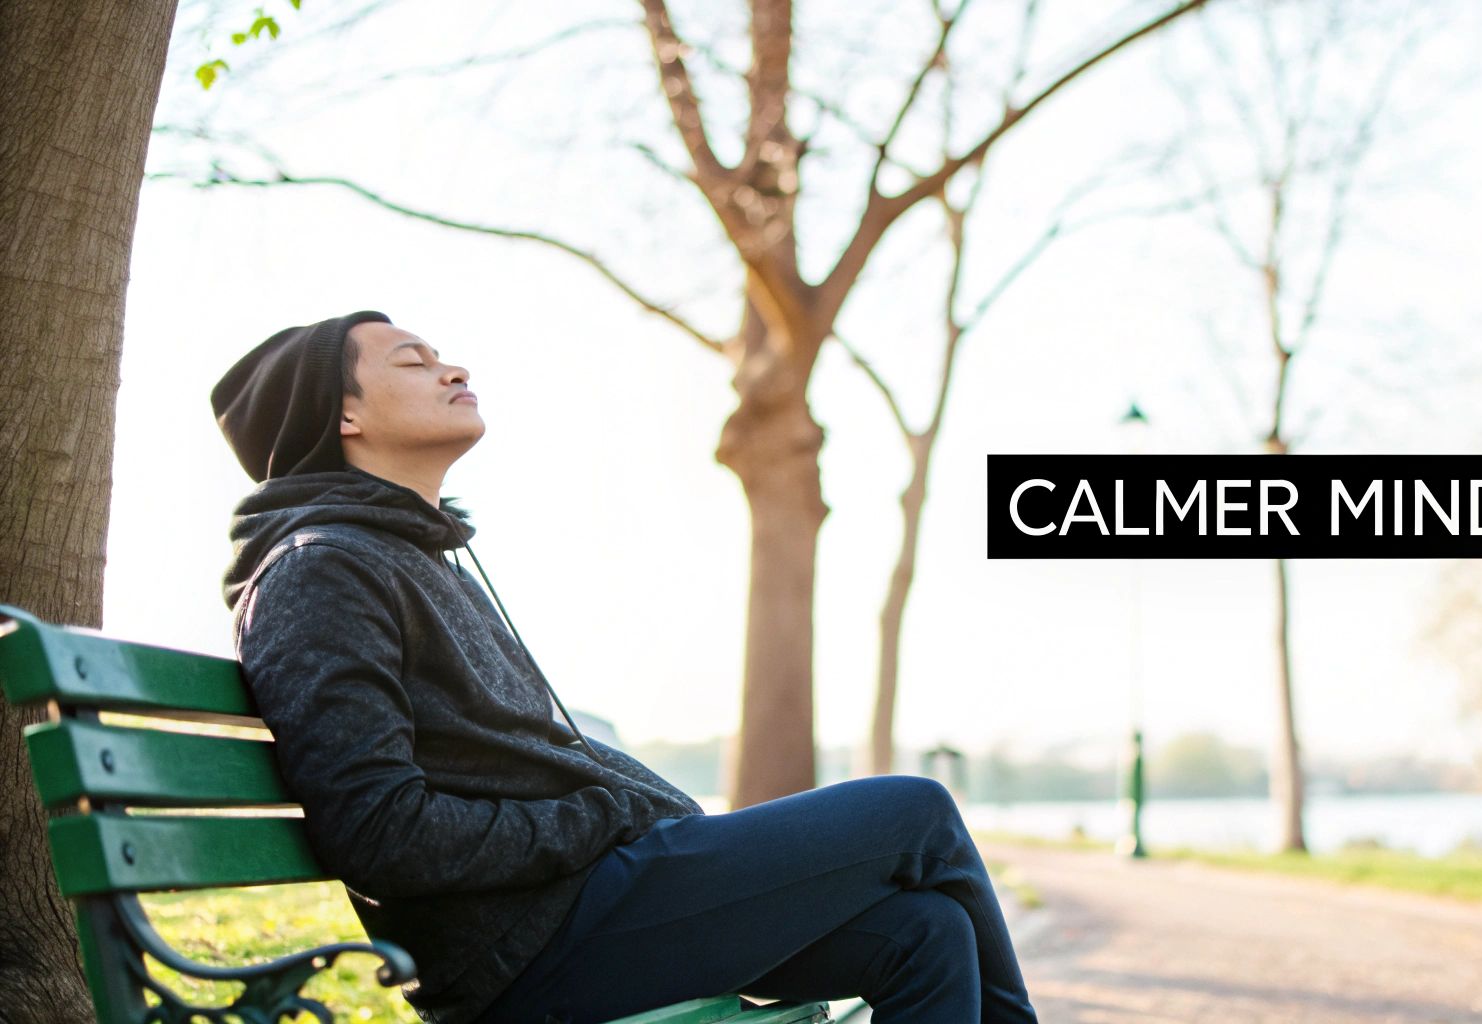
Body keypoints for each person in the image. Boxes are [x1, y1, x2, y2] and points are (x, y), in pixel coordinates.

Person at [210, 311, 1042, 1024]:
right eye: (412, 362)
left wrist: (624, 817)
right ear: (342, 417)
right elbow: (380, 833)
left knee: (928, 930)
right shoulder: (322, 572)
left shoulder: (412, 558)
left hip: (588, 909)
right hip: (526, 949)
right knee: (915, 810)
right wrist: (600, 816)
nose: (452, 368)